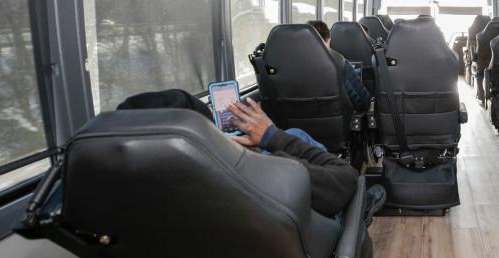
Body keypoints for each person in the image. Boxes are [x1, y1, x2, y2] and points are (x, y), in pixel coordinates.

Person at [117, 89, 371, 219]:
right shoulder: (266, 172)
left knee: (295, 131)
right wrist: (270, 139)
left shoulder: (118, 205)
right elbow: (344, 181)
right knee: (297, 136)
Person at [307, 20, 371, 113]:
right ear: (329, 40)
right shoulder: (339, 63)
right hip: (335, 123)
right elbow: (363, 103)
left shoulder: (283, 68)